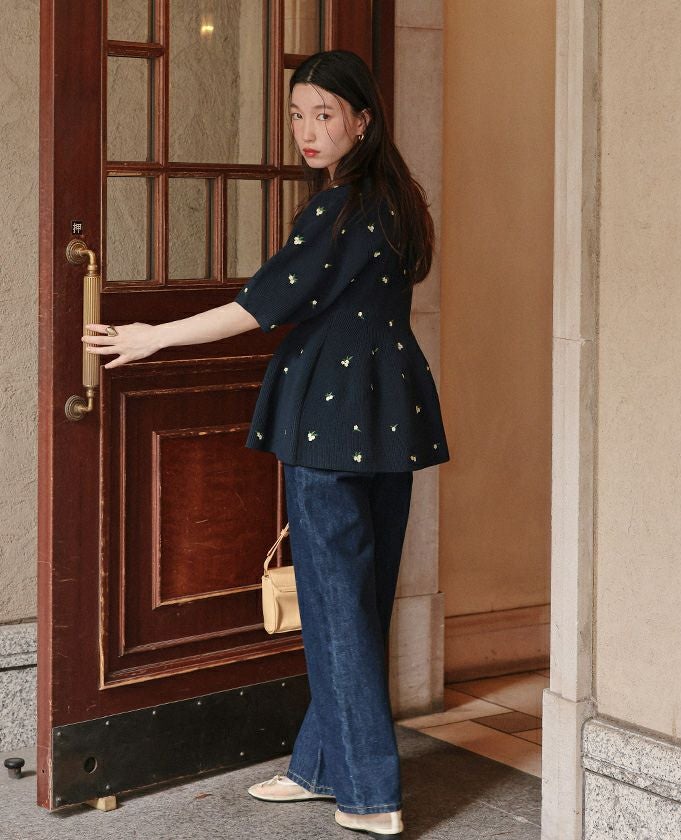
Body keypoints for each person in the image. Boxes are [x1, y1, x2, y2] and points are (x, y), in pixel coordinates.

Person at [83, 49, 449, 839]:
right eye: (297, 114)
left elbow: (260, 305)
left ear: (363, 121)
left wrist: (152, 336)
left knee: (337, 610)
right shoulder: (397, 201)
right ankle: (322, 766)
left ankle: (370, 793)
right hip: (389, 417)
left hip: (333, 423)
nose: (308, 131)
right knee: (359, 602)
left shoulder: (339, 208)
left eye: (325, 114)